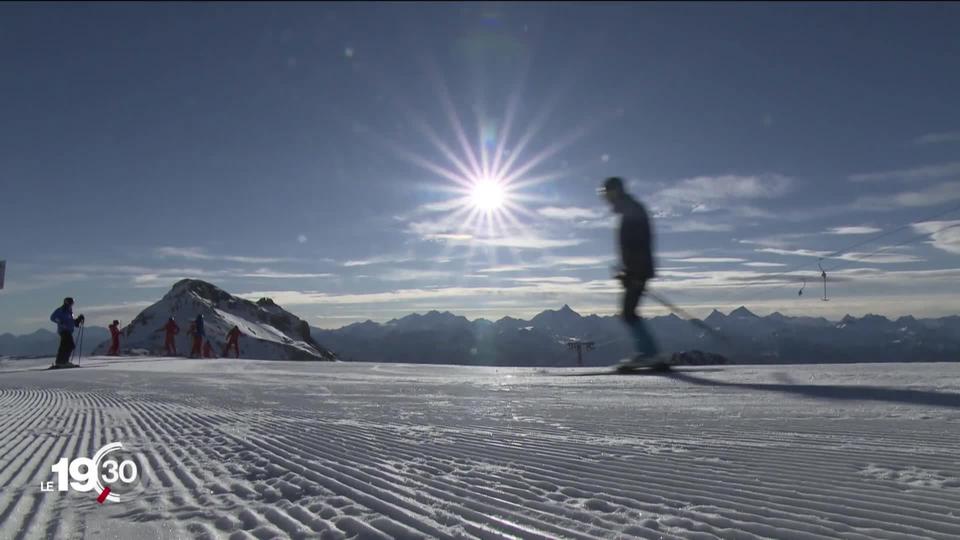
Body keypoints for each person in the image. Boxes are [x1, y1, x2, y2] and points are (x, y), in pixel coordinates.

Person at [599, 176, 662, 365]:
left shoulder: (631, 210)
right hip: (637, 270)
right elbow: (634, 245)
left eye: (606, 193)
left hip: (638, 270)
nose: (605, 198)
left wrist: (634, 271)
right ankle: (649, 353)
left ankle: (649, 354)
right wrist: (627, 270)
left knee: (628, 313)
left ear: (615, 192)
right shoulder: (630, 209)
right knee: (629, 312)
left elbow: (639, 243)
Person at [50, 297, 84, 366]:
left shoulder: (69, 311)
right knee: (69, 345)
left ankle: (62, 361)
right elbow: (52, 317)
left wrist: (78, 320)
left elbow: (71, 321)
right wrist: (60, 322)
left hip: (68, 331)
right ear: (67, 303)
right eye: (71, 303)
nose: (72, 305)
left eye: (72, 303)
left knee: (65, 346)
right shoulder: (60, 310)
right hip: (63, 330)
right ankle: (62, 362)